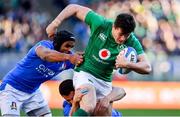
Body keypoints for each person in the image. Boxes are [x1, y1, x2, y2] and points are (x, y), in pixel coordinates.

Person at [46, 4, 152, 116]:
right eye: (121, 34)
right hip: (85, 73)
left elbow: (147, 67)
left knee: (103, 112)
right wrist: (55, 23)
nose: (123, 39)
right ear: (114, 27)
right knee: (89, 105)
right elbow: (74, 8)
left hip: (105, 82)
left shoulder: (132, 41)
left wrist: (128, 64)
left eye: (127, 35)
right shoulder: (101, 24)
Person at [0, 30, 83, 117]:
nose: (69, 49)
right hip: (12, 89)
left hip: (32, 92)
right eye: (67, 45)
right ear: (58, 43)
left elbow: (85, 64)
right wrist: (69, 57)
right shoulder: (44, 46)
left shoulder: (68, 58)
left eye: (71, 46)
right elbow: (45, 55)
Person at [59, 79, 125, 117]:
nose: (71, 101)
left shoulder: (87, 90)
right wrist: (75, 103)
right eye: (68, 100)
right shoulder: (68, 108)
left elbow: (121, 91)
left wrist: (107, 99)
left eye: (72, 98)